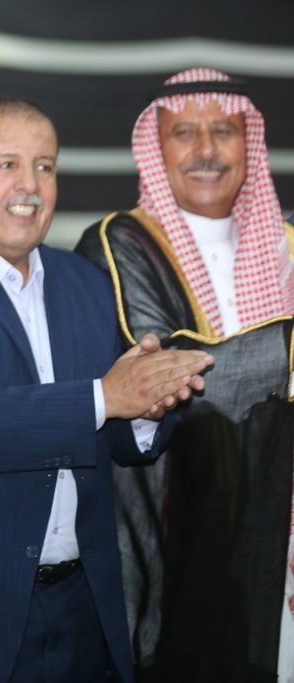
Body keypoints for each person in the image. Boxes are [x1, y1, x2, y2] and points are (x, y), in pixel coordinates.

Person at [0, 98, 214, 683]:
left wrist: (148, 405)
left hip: (91, 598)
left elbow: (117, 440)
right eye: (7, 164)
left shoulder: (85, 280)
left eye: (45, 167)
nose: (29, 186)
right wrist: (107, 397)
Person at [76, 68, 294, 682]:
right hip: (178, 531)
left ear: (248, 143)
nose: (205, 150)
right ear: (156, 145)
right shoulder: (119, 244)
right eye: (184, 133)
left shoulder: (285, 247)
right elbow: (171, 373)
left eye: (222, 131)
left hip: (277, 524)